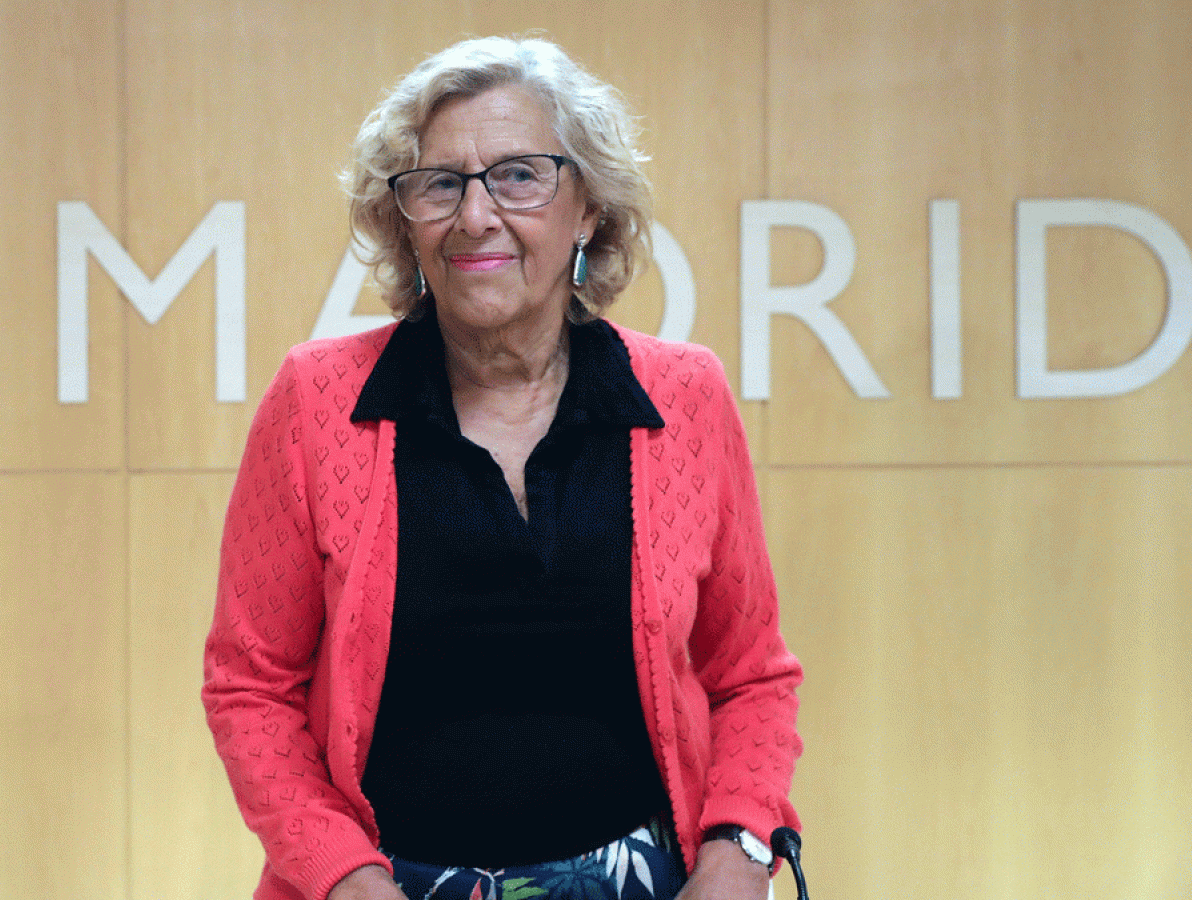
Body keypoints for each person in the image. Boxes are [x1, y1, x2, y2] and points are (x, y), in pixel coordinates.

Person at [203, 35, 802, 900]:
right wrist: (344, 882)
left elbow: (751, 675)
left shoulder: (685, 395)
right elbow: (249, 689)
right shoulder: (316, 400)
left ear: (588, 208)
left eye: (520, 175)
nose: (476, 215)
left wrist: (739, 849)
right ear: (405, 222)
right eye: (440, 184)